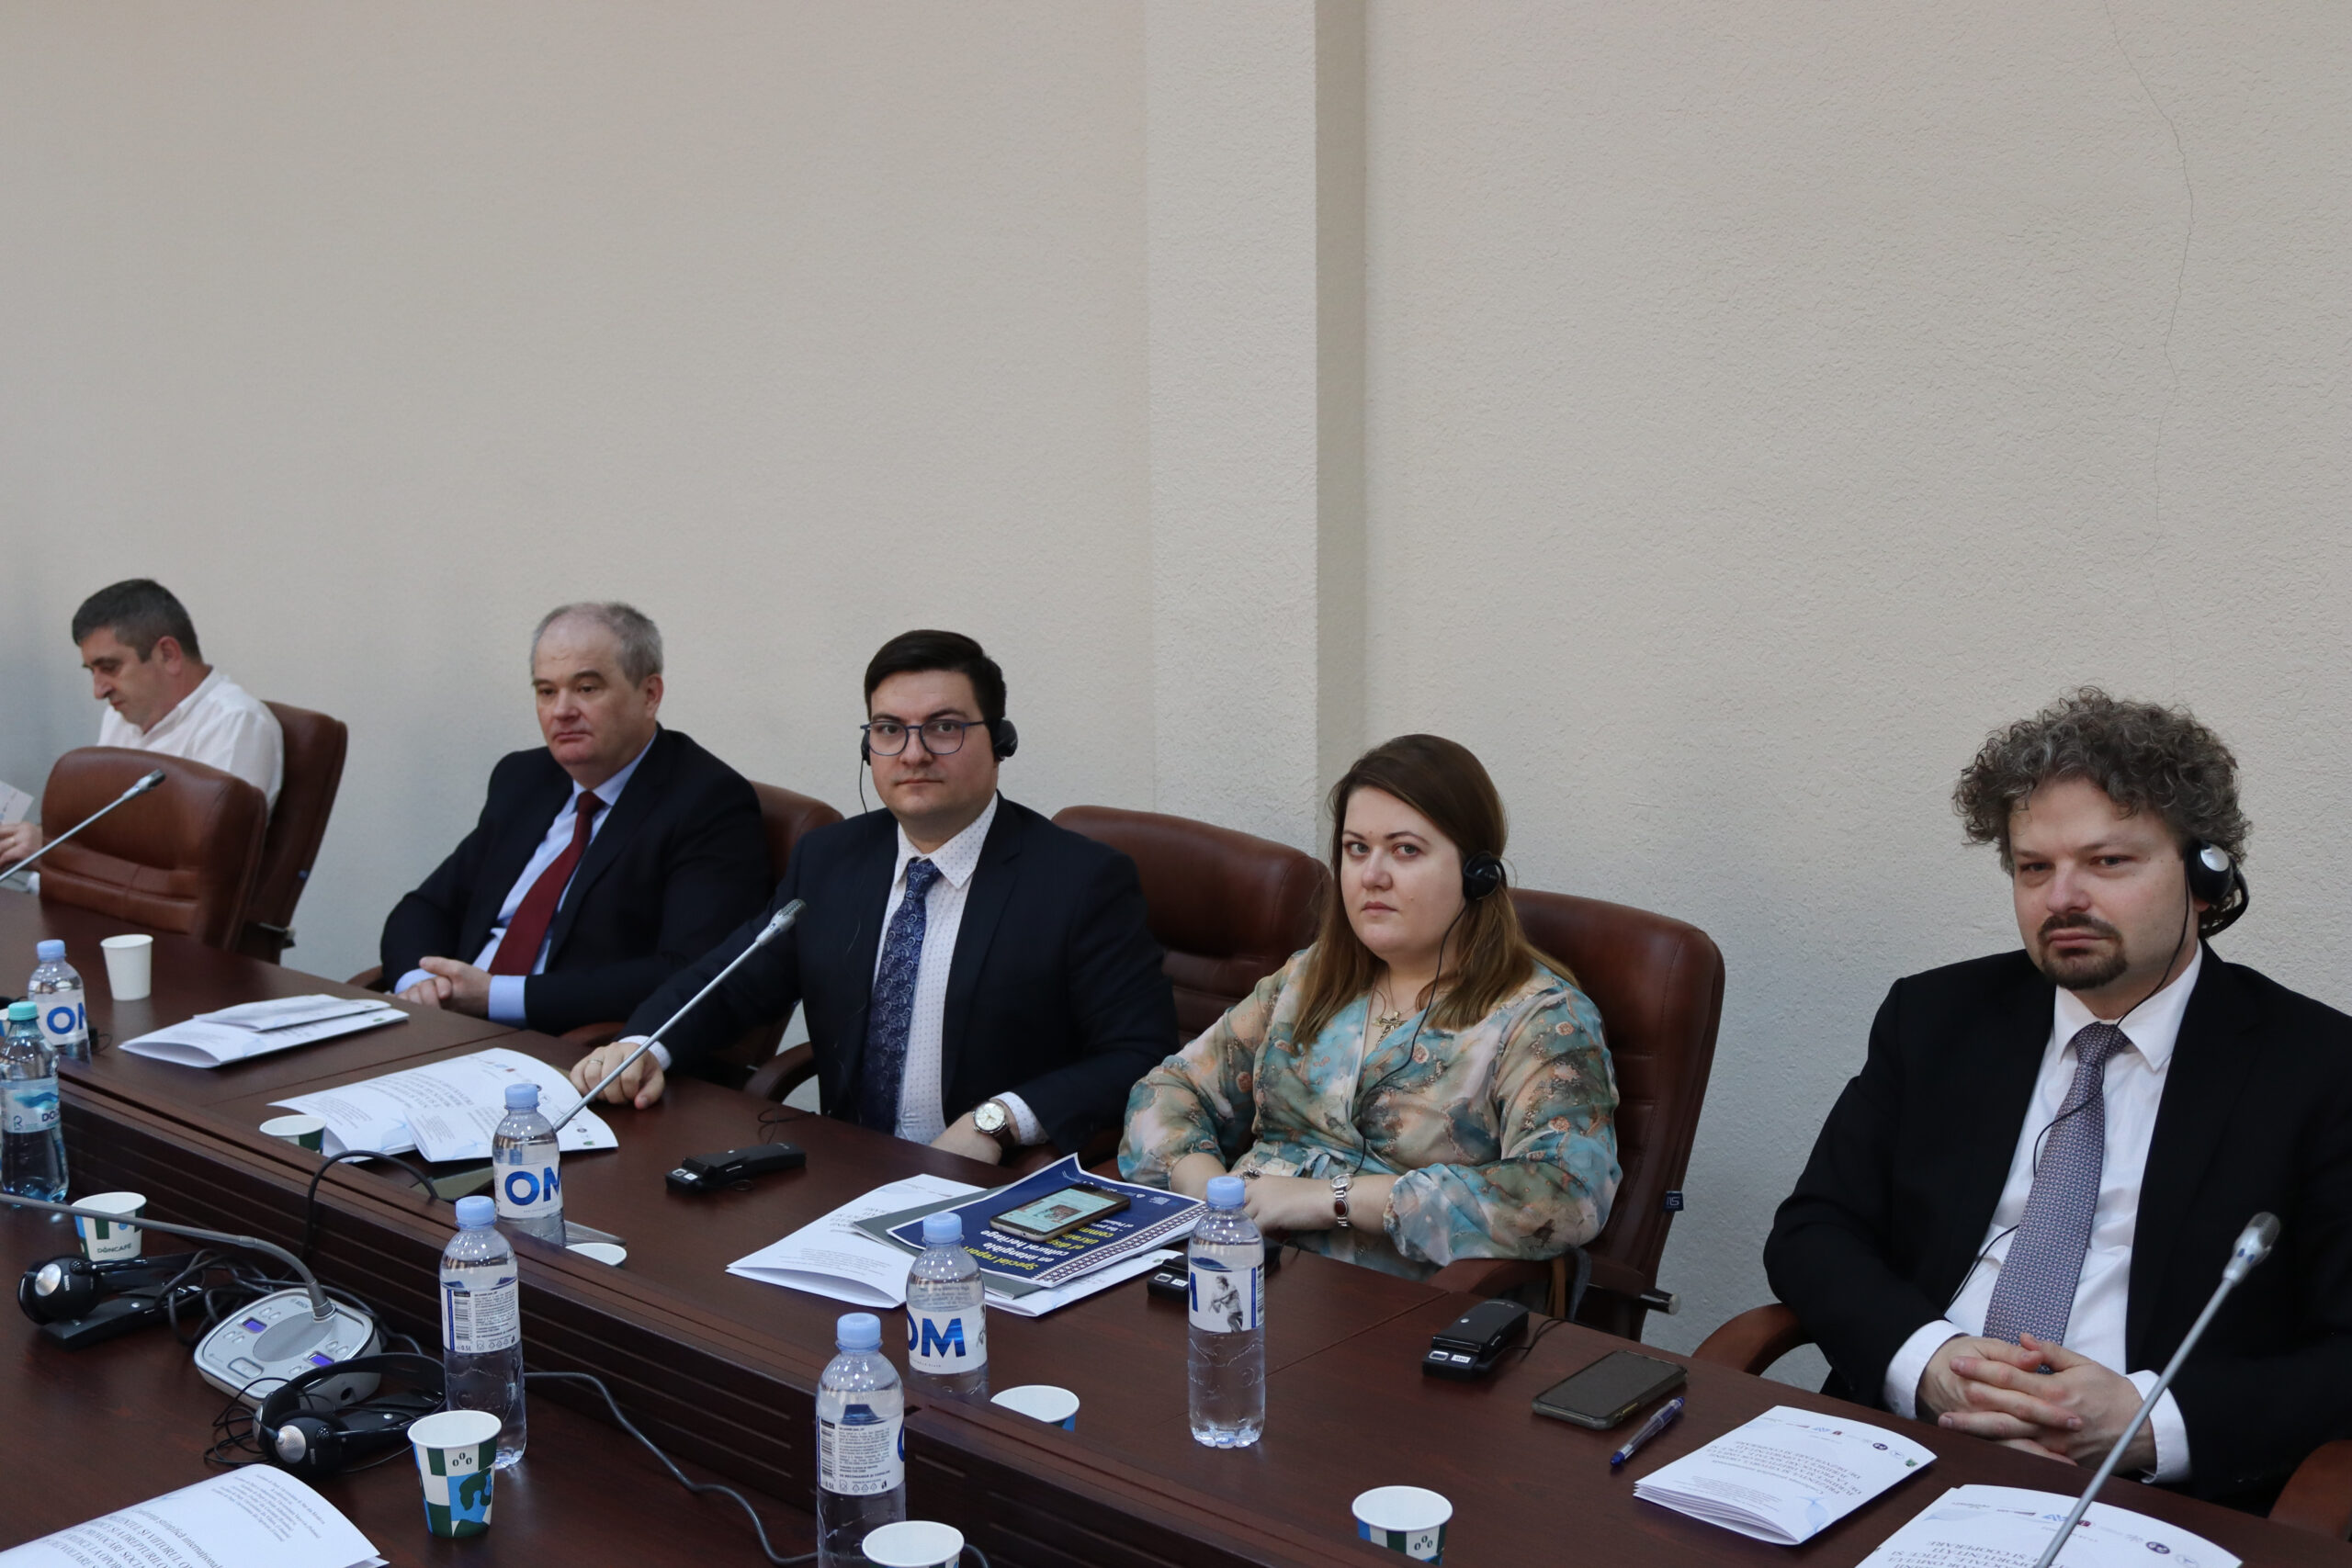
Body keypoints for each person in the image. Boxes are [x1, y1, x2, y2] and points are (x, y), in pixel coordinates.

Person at [1765, 689, 2352, 1512]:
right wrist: (1930, 1362)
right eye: (2034, 867)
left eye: (2107, 862)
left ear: (2207, 878)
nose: (2061, 897)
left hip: (2146, 1496)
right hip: (1907, 1443)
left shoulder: (2319, 1067)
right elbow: (1813, 1231)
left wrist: (2149, 1422)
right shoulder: (1934, 1018)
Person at [567, 629, 1175, 1164]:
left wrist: (997, 1120)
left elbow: (1140, 1053)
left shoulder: (1079, 880)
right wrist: (643, 1045)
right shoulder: (830, 859)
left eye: (944, 727)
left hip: (994, 1180)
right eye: (889, 730)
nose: (913, 753)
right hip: (846, 1169)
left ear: (1000, 741)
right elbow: (730, 982)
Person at [1119, 734, 1620, 1280]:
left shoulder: (1540, 1017)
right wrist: (1209, 1195)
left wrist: (1331, 1199)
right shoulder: (1311, 977)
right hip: (1241, 1266)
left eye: (1405, 850)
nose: (1371, 875)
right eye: (1357, 848)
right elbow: (1169, 1089)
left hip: (1389, 1300)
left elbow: (1565, 1193)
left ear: (1477, 874)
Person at [379, 603, 767, 1037]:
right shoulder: (524, 778)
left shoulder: (706, 801)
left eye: (586, 688)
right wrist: (420, 985)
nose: (561, 710)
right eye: (546, 692)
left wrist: (495, 996)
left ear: (649, 694)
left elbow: (689, 972)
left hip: (570, 1049)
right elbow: (427, 907)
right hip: (444, 1026)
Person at [0, 579, 283, 864]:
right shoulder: (121, 715)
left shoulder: (236, 723)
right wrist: (39, 841)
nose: (98, 691)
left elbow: (197, 860)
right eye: (92, 671)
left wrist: (56, 854)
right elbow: (100, 826)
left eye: (110, 667)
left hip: (141, 892)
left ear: (168, 655)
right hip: (88, 885)